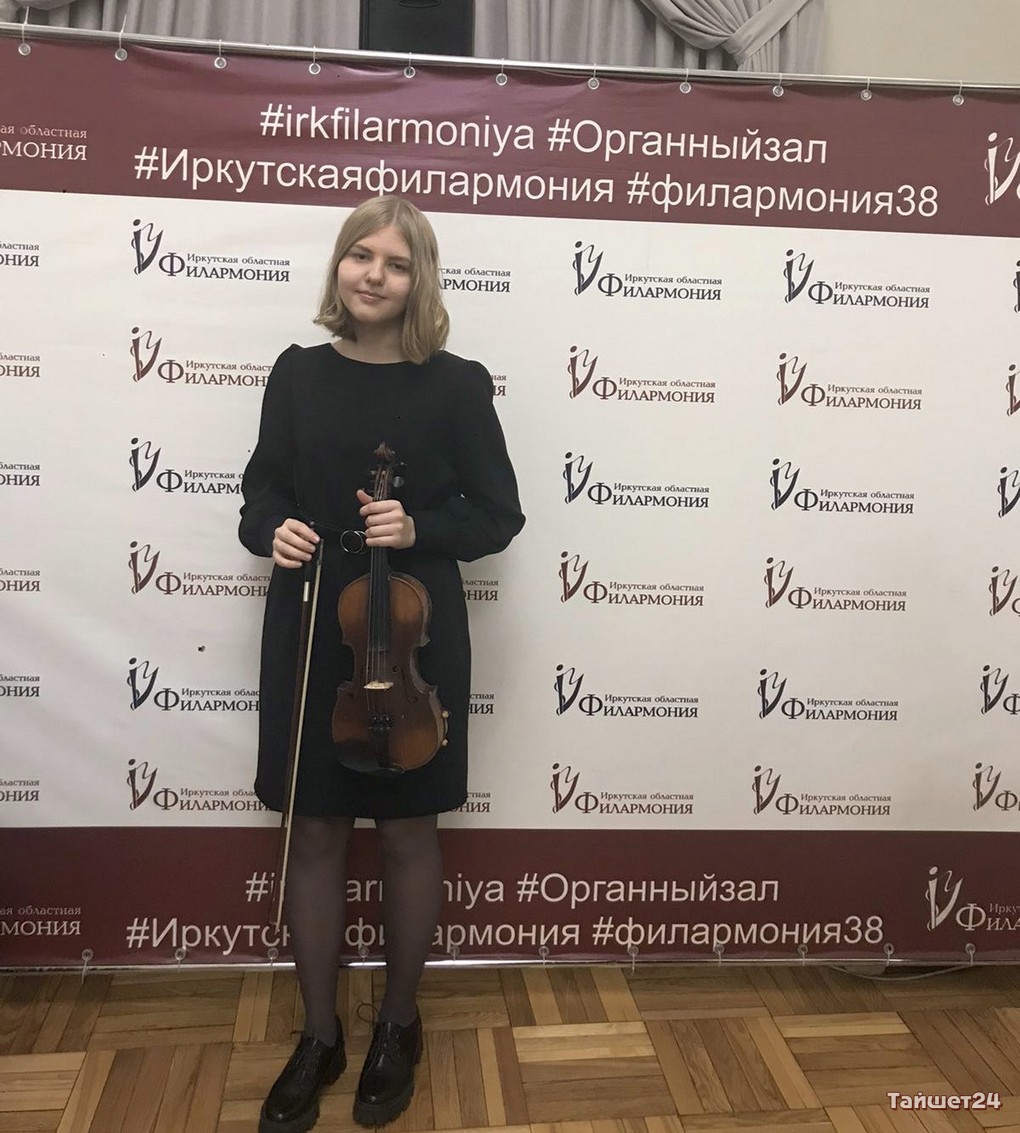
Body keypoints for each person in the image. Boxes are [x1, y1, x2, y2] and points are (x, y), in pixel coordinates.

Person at [239, 195, 524, 1132]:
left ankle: (398, 1024)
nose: (374, 274)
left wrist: (418, 525)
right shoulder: (297, 373)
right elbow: (260, 493)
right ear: (339, 266)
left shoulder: (457, 384)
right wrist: (271, 529)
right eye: (361, 255)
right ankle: (319, 1034)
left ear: (419, 280)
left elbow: (497, 515)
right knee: (317, 831)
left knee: (407, 832)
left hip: (412, 637)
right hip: (314, 623)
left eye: (396, 263)